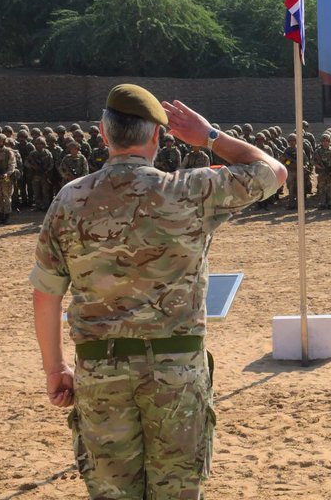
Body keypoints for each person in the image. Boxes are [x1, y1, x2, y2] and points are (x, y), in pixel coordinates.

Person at [29, 84, 286, 500]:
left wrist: (55, 369)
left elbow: (46, 294)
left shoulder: (69, 200)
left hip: (100, 371)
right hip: (176, 372)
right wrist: (209, 136)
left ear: (103, 133)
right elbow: (273, 172)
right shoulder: (188, 190)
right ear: (157, 136)